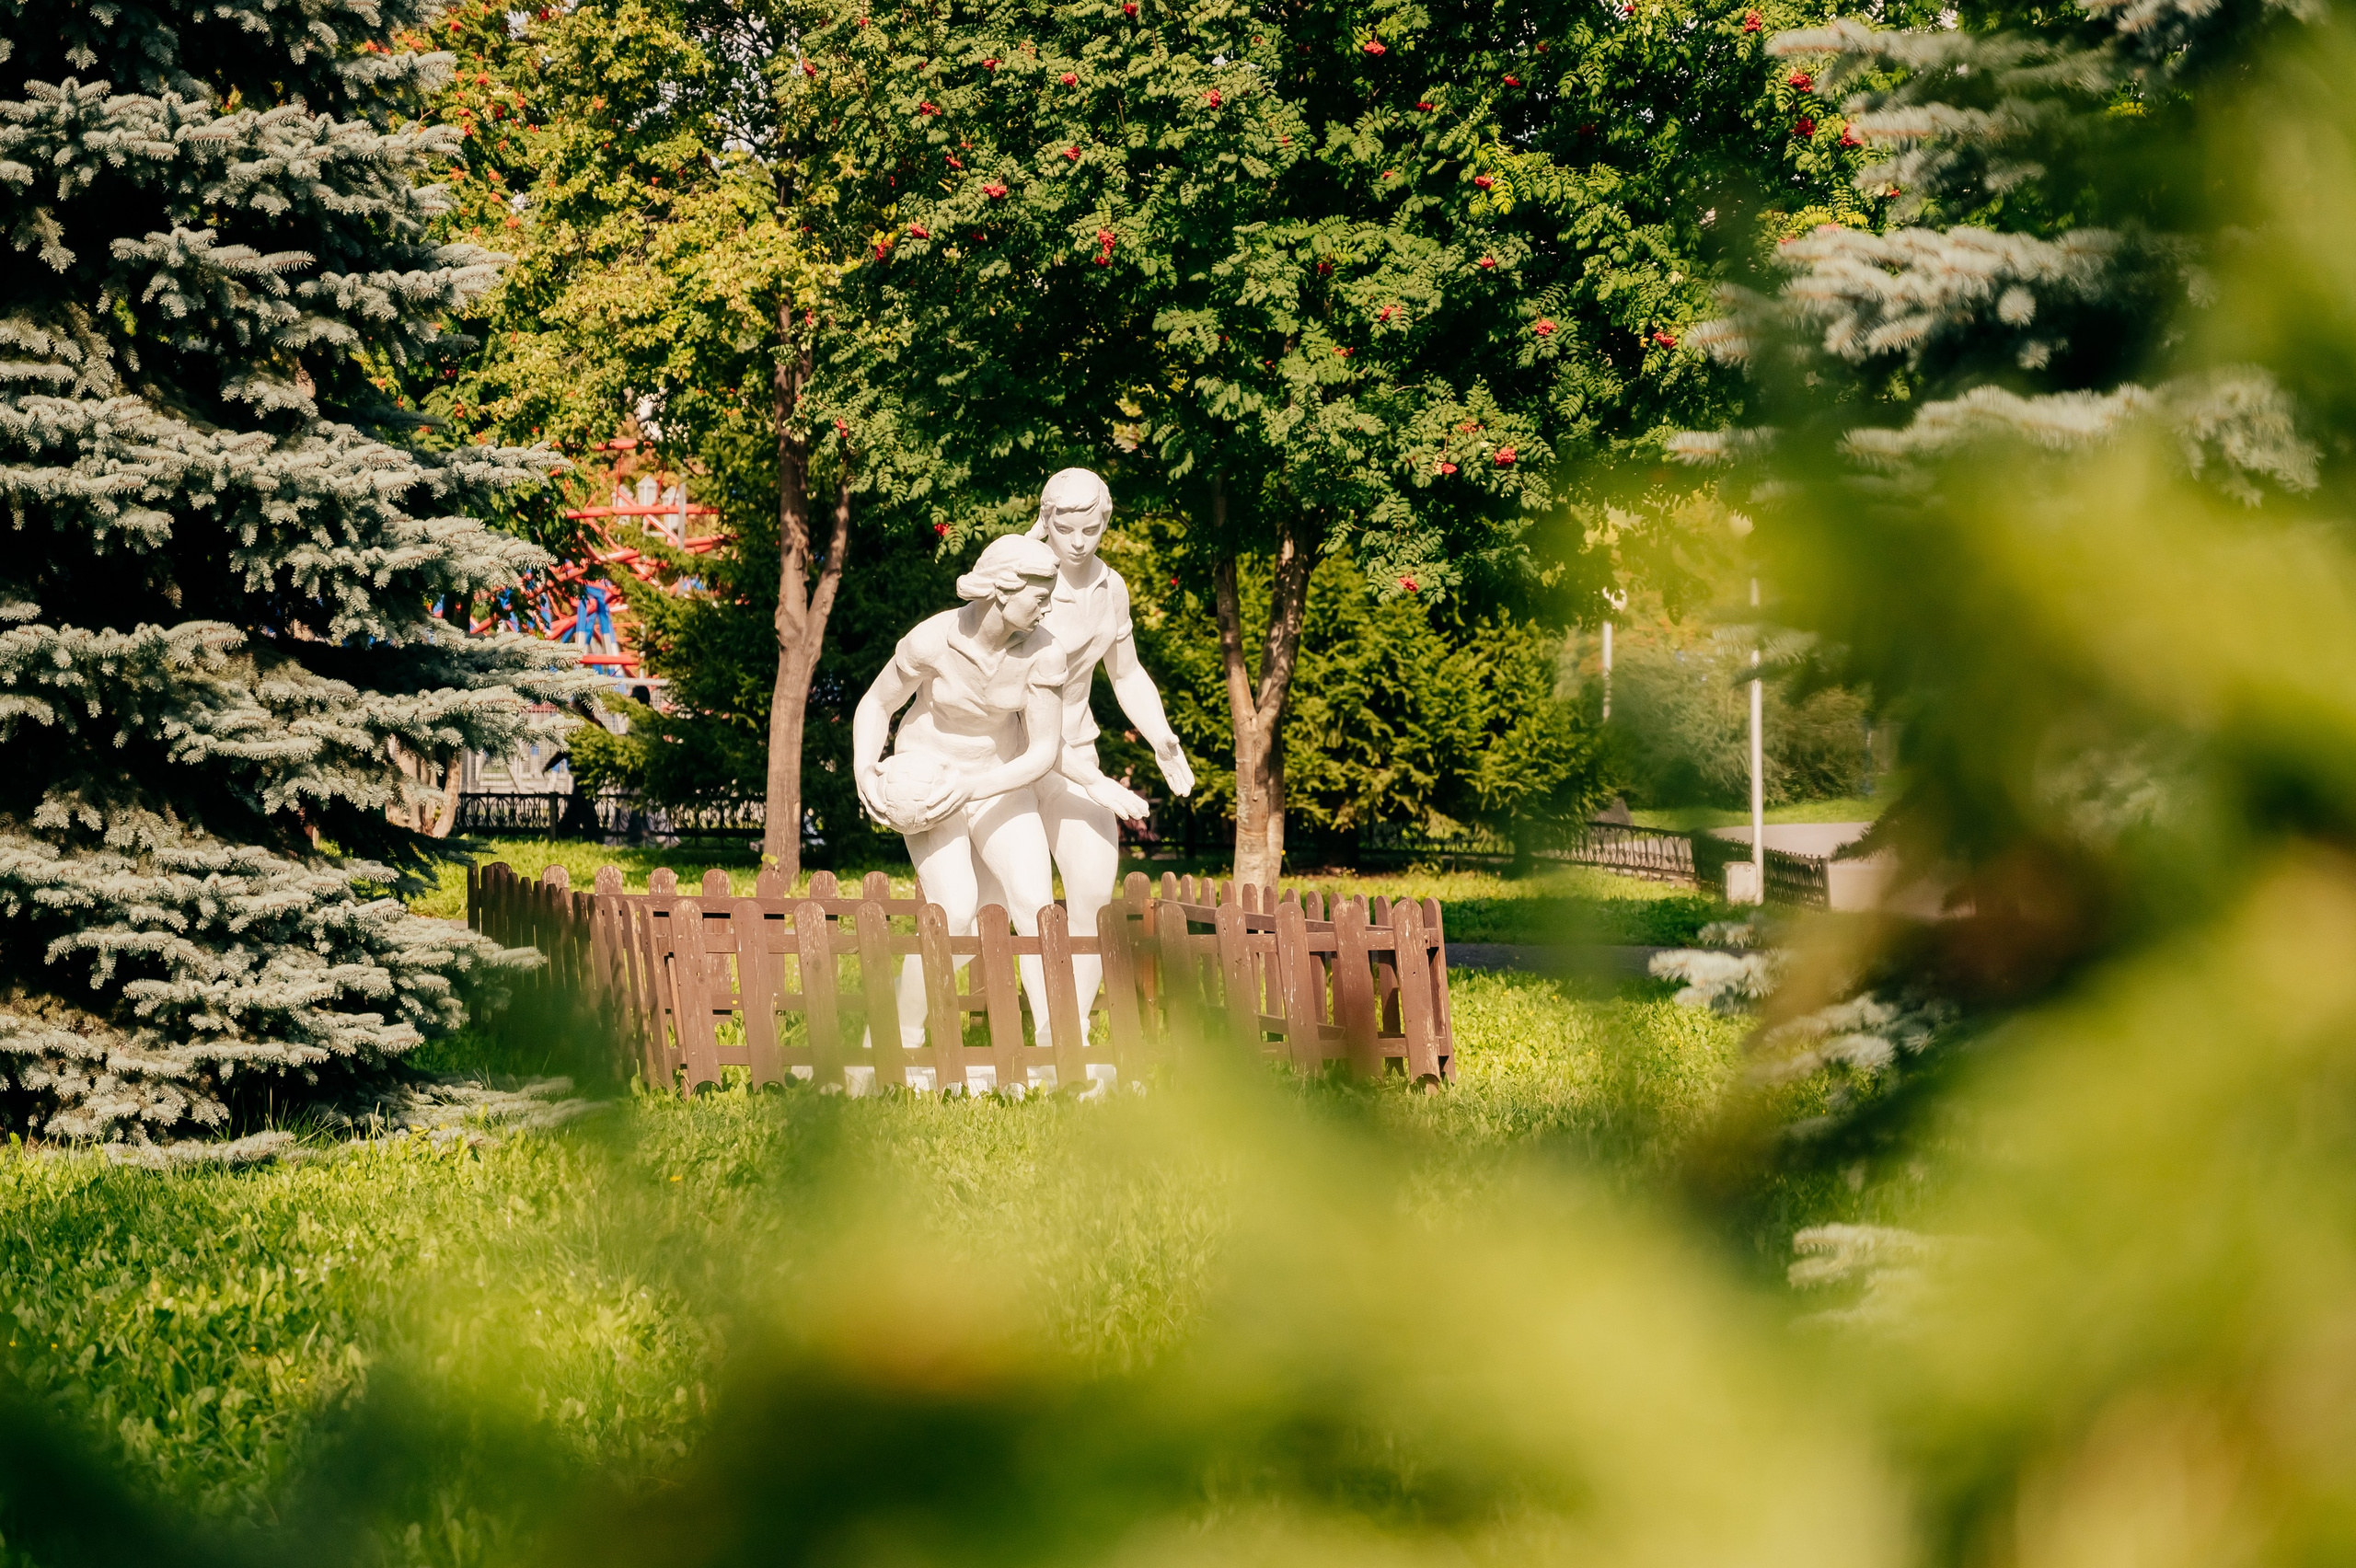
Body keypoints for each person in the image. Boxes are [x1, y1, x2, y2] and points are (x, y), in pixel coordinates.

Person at [850, 533, 1136, 1069]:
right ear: (1003, 590)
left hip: (1000, 777)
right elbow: (876, 704)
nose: (1050, 604)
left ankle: (1058, 1043)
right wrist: (866, 770)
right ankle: (898, 1034)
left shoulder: (1044, 651)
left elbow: (1045, 750)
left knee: (1035, 905)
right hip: (929, 783)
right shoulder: (933, 640)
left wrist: (982, 786)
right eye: (1041, 593)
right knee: (955, 912)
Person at [1010, 468, 1194, 1020]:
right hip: (1011, 756)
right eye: (1065, 528)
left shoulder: (1111, 588)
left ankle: (1071, 1031)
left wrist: (1162, 737)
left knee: (1092, 890)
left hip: (1076, 752)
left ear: (1105, 524)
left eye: (1090, 529)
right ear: (1047, 523)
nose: (1078, 541)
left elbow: (1128, 673)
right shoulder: (1021, 580)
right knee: (1022, 902)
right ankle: (1040, 1032)